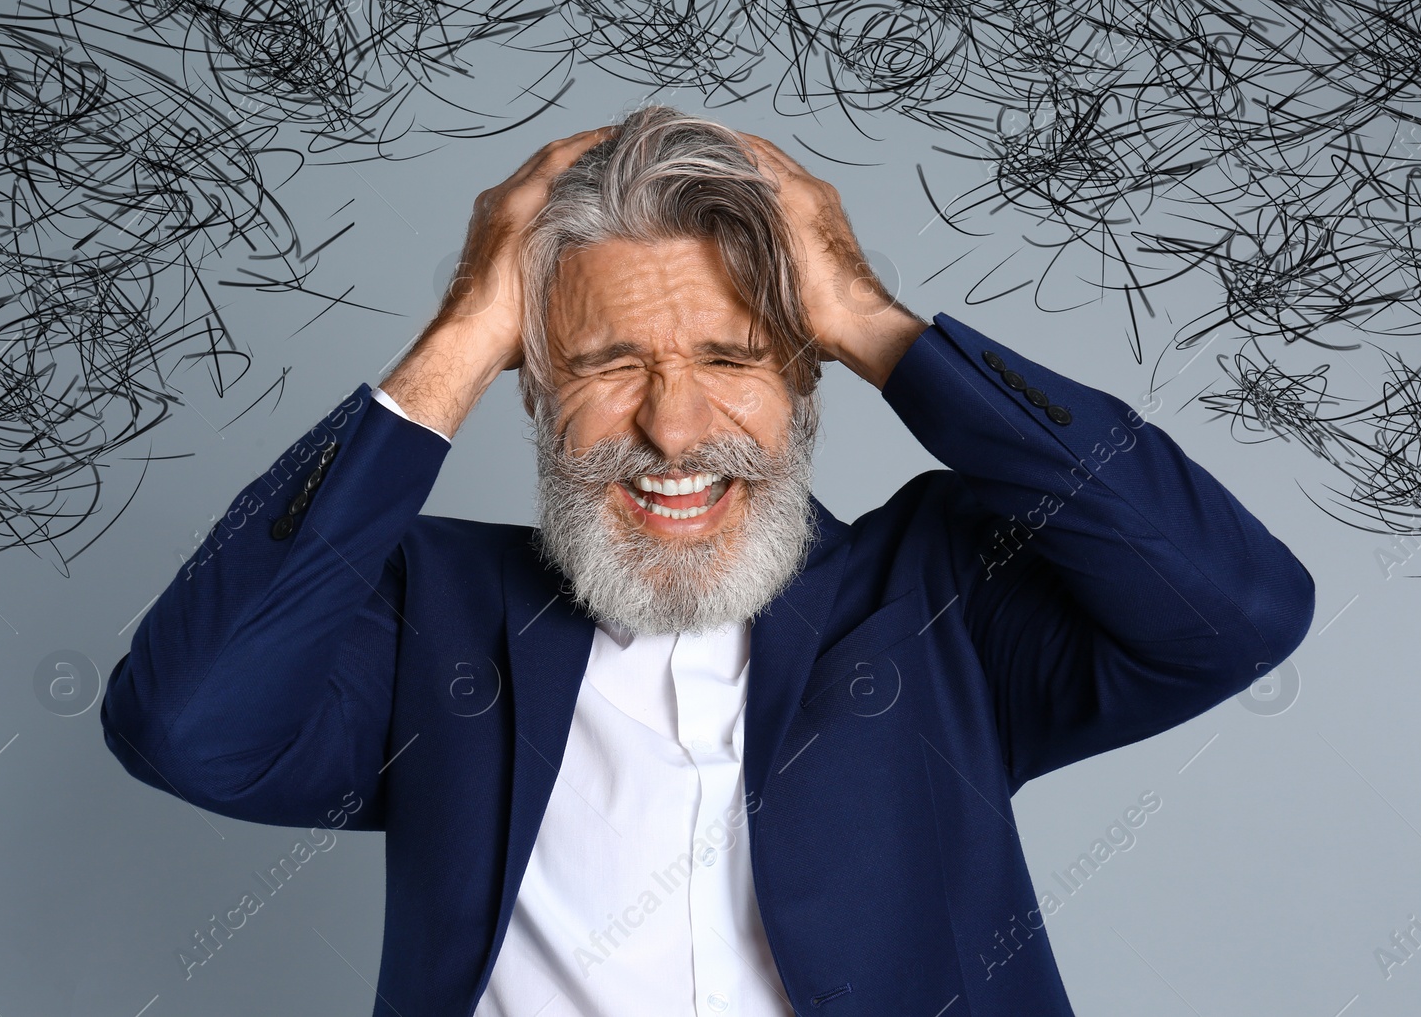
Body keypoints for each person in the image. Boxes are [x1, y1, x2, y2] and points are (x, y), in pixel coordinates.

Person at [101, 104, 1316, 1016]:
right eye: (606, 363)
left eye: (732, 358)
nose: (673, 431)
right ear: (530, 390)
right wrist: (460, 336)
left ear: (803, 375)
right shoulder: (433, 616)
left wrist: (877, 323)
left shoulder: (943, 594)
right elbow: (185, 726)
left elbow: (1235, 610)